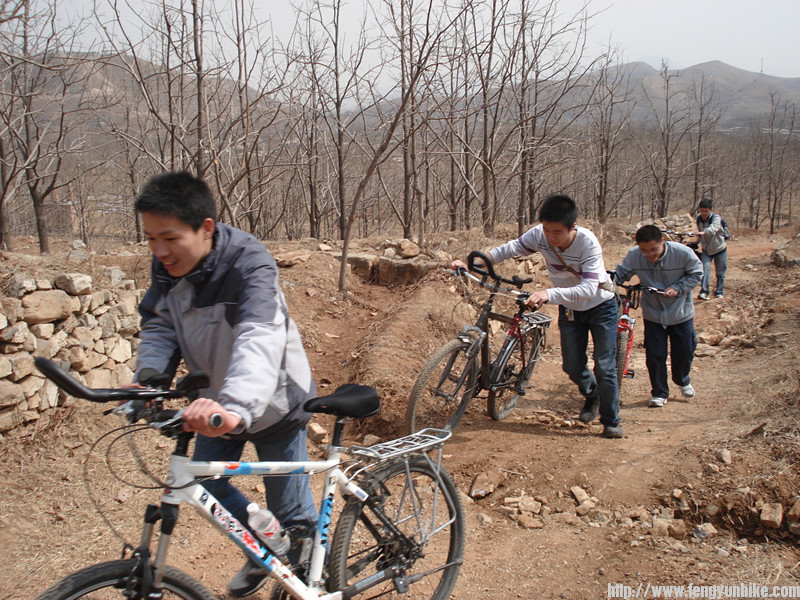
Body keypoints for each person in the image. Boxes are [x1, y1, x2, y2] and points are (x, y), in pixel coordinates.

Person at [133, 171, 318, 597]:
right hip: (214, 400)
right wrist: (150, 381)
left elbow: (260, 335)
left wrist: (234, 405)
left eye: (170, 237)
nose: (159, 251)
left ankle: (306, 573)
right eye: (150, 239)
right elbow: (161, 325)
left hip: (274, 400)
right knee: (204, 484)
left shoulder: (249, 262)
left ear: (206, 229)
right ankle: (265, 548)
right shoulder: (171, 263)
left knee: (290, 513)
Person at [453, 194, 622, 438]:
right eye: (546, 230)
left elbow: (589, 288)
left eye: (557, 232)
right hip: (571, 308)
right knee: (572, 366)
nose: (550, 238)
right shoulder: (539, 235)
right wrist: (476, 263)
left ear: (572, 227)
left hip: (601, 307)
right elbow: (509, 249)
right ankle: (592, 393)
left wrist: (548, 293)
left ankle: (611, 421)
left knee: (604, 366)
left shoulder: (588, 243)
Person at [614, 225, 703, 407]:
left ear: (662, 242)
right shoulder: (635, 255)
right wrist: (610, 282)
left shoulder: (682, 253)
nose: (649, 254)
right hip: (653, 312)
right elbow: (622, 274)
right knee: (655, 355)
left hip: (680, 312)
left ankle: (682, 379)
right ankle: (659, 392)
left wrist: (678, 288)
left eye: (653, 249)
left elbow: (697, 273)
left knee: (684, 351)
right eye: (644, 250)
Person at [692, 198, 727, 300]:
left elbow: (713, 229)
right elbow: (700, 234)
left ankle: (719, 292)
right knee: (704, 270)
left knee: (720, 273)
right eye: (701, 210)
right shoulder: (699, 218)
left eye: (706, 211)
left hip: (719, 249)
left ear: (710, 210)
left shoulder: (716, 218)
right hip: (706, 251)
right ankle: (704, 292)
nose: (703, 213)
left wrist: (702, 233)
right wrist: (695, 242)